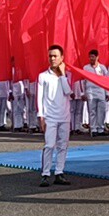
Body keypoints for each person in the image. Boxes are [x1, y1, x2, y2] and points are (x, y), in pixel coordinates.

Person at [37, 46, 72, 187]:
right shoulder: (43, 76)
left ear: (62, 58)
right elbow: (40, 97)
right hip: (50, 116)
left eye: (55, 56)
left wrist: (63, 74)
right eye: (50, 56)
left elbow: (68, 91)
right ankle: (45, 174)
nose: (52, 59)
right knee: (49, 145)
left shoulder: (67, 75)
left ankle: (59, 172)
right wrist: (41, 116)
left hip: (64, 116)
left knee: (63, 146)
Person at [83, 50, 109, 136]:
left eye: (93, 57)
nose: (91, 58)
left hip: (101, 91)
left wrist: (107, 93)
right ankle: (93, 129)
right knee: (92, 111)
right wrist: (84, 93)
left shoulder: (102, 68)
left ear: (97, 57)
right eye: (90, 57)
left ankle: (101, 129)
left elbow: (107, 81)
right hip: (90, 91)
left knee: (101, 111)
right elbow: (84, 82)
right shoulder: (86, 68)